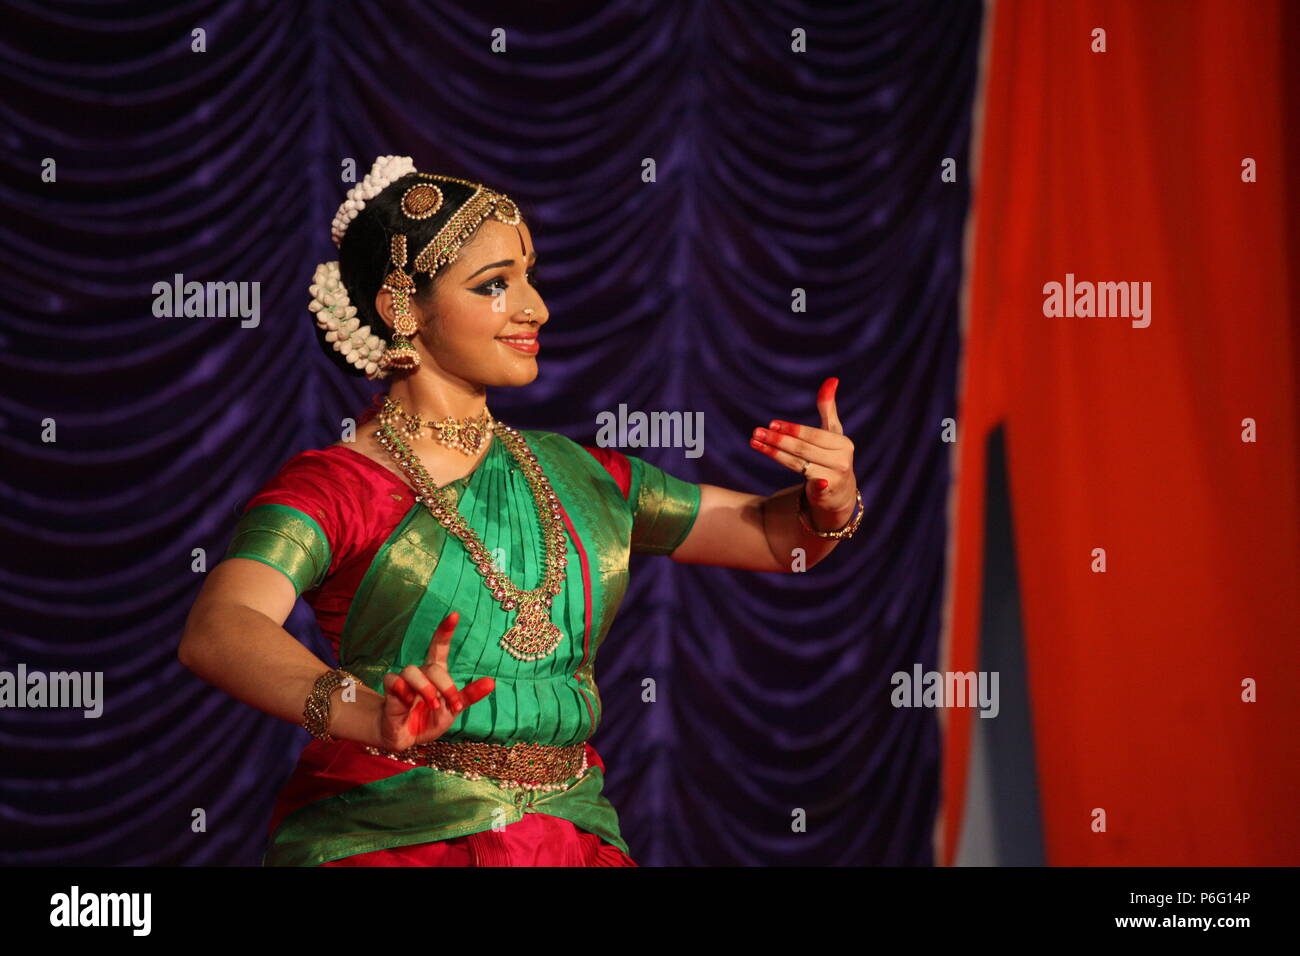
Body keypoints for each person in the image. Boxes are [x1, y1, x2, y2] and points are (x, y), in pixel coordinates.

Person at [178, 155, 863, 866]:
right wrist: (363, 714)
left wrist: (830, 496)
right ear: (402, 309)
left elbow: (776, 538)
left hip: (569, 836)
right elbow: (220, 628)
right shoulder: (339, 487)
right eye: (495, 285)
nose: (534, 307)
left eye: (529, 277)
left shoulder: (582, 476)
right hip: (393, 837)